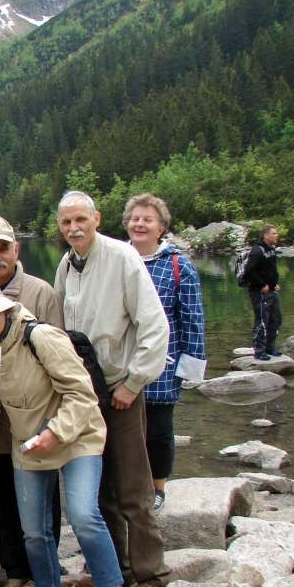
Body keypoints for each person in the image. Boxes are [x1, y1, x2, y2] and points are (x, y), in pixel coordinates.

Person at [0, 278, 130, 587]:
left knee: (84, 516)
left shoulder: (41, 337)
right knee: (34, 530)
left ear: (5, 309)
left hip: (77, 435)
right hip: (29, 443)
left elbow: (82, 395)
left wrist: (56, 431)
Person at [53, 191, 170, 587]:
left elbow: (154, 325)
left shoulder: (123, 258)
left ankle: (150, 572)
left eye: (80, 220)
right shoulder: (67, 265)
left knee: (134, 486)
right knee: (101, 488)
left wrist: (134, 383)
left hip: (120, 389)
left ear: (97, 219)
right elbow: (60, 329)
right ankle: (113, 570)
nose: (73, 228)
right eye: (66, 222)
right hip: (85, 394)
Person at [0, 215, 64, 587]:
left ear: (16, 249)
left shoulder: (41, 293)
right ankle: (15, 571)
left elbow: (59, 354)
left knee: (43, 502)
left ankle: (46, 574)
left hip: (35, 418)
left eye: (2, 249)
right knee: (0, 499)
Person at [124, 194, 207, 511]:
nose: (139, 224)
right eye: (135, 218)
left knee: (158, 429)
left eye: (147, 219)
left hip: (164, 360)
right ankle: (130, 484)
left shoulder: (178, 265)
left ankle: (158, 486)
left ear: (161, 227)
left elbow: (192, 318)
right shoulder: (117, 258)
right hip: (122, 359)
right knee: (124, 429)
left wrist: (190, 365)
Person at [245, 224, 283, 360]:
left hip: (272, 290)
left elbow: (271, 270)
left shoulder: (272, 250)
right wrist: (261, 284)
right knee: (262, 321)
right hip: (259, 292)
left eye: (276, 233)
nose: (276, 235)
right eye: (274, 233)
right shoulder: (257, 251)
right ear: (265, 235)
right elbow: (249, 271)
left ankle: (270, 347)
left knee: (276, 319)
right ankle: (259, 351)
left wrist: (274, 283)